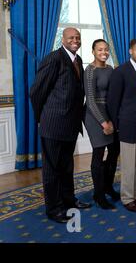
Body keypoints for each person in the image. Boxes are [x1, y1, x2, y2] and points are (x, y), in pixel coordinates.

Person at [30, 27, 91, 223]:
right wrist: (44, 117)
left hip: (70, 125)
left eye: (78, 37)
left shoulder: (78, 60)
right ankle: (54, 209)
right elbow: (36, 91)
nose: (75, 40)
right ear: (62, 40)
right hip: (53, 125)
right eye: (71, 37)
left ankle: (69, 201)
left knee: (66, 167)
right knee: (52, 169)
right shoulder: (53, 59)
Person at [107, 38, 136, 213]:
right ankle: (127, 198)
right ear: (130, 51)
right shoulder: (120, 72)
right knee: (128, 164)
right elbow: (113, 102)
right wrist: (117, 126)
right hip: (126, 125)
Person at [83, 39, 120, 210]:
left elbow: (113, 96)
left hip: (109, 113)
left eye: (106, 50)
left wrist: (113, 119)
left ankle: (107, 186)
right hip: (93, 115)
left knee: (114, 151)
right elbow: (90, 101)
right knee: (99, 153)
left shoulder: (111, 69)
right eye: (100, 49)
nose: (104, 52)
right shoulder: (90, 70)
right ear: (93, 51)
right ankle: (98, 195)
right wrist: (104, 123)